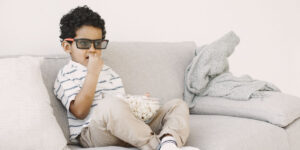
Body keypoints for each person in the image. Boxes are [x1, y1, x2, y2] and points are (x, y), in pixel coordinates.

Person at [54, 5, 199, 150]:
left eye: (97, 44)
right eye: (84, 43)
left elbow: (120, 105)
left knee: (177, 105)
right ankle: (156, 146)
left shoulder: (109, 72)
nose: (92, 49)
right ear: (67, 47)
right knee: (109, 105)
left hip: (125, 130)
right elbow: (80, 112)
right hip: (93, 134)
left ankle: (169, 141)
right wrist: (93, 73)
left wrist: (139, 104)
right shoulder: (66, 75)